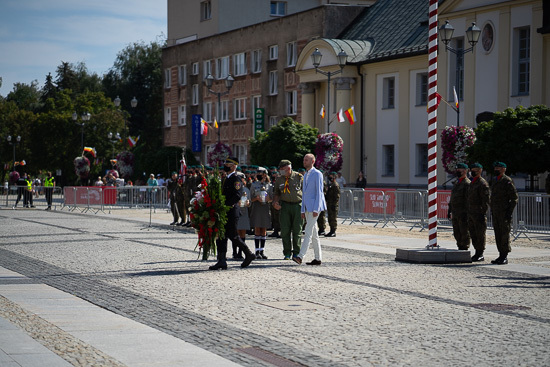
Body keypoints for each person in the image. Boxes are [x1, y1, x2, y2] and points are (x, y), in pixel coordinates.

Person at [209, 156, 255, 270]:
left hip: (231, 211)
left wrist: (225, 205)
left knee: (233, 235)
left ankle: (248, 254)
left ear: (234, 166)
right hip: (224, 211)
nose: (225, 166)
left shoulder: (236, 179)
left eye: (228, 164)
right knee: (221, 236)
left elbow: (237, 196)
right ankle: (221, 260)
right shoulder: (226, 178)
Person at [293, 154, 326, 266]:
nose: (304, 161)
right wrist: (303, 210)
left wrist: (316, 208)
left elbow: (319, 192)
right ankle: (318, 258)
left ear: (312, 161)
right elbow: (304, 194)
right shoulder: (306, 174)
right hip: (307, 207)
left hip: (314, 207)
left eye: (306, 160)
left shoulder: (317, 174)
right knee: (314, 233)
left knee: (307, 231)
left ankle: (300, 256)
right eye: (304, 159)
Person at [273, 159, 303, 260]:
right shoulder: (279, 179)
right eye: (280, 169)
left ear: (288, 168)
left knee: (297, 230)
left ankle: (296, 253)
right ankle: (287, 253)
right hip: (285, 206)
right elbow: (277, 193)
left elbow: (305, 192)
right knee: (285, 231)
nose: (280, 171)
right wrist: (275, 202)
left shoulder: (299, 177)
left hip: (298, 206)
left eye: (282, 169)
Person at [490, 161, 518, 265]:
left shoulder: (507, 181)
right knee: (498, 234)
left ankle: (504, 256)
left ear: (504, 169)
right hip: (496, 212)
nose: (496, 169)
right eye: (495, 168)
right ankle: (500, 254)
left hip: (504, 212)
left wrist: (509, 211)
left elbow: (514, 198)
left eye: (499, 168)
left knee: (504, 234)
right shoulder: (494, 180)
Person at [467, 163, 490, 262]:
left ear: (480, 171)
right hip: (471, 212)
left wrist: (483, 212)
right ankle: (476, 251)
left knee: (480, 233)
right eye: (472, 169)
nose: (472, 171)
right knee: (473, 233)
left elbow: (485, 200)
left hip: (478, 213)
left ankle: (480, 253)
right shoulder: (472, 182)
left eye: (475, 170)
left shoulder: (482, 183)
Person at [250, 167, 272, 259]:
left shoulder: (269, 185)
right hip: (256, 207)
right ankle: (256, 251)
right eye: (258, 173)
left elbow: (272, 198)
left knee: (263, 230)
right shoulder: (254, 185)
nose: (259, 175)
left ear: (265, 174)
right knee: (257, 229)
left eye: (261, 173)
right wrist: (256, 198)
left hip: (265, 208)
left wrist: (269, 199)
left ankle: (262, 251)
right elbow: (250, 198)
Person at [448, 163, 471, 250]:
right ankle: (459, 246)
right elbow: (453, 198)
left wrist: (468, 212)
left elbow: (468, 199)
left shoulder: (467, 183)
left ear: (465, 171)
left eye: (459, 170)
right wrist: (449, 210)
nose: (457, 171)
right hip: (455, 211)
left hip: (463, 212)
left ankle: (464, 247)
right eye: (457, 169)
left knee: (464, 231)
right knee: (456, 231)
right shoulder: (457, 183)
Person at [235, 175, 251, 259]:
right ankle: (235, 252)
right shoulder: (235, 188)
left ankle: (240, 251)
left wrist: (248, 203)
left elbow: (250, 201)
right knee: (236, 232)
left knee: (243, 233)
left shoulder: (246, 190)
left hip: (244, 212)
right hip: (237, 211)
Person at [324, 171, 340, 237]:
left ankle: (333, 231)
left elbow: (337, 196)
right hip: (330, 204)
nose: (329, 177)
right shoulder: (331, 184)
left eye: (331, 176)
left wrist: (334, 204)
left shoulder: (335, 185)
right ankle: (331, 230)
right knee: (330, 218)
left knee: (333, 218)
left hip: (333, 204)